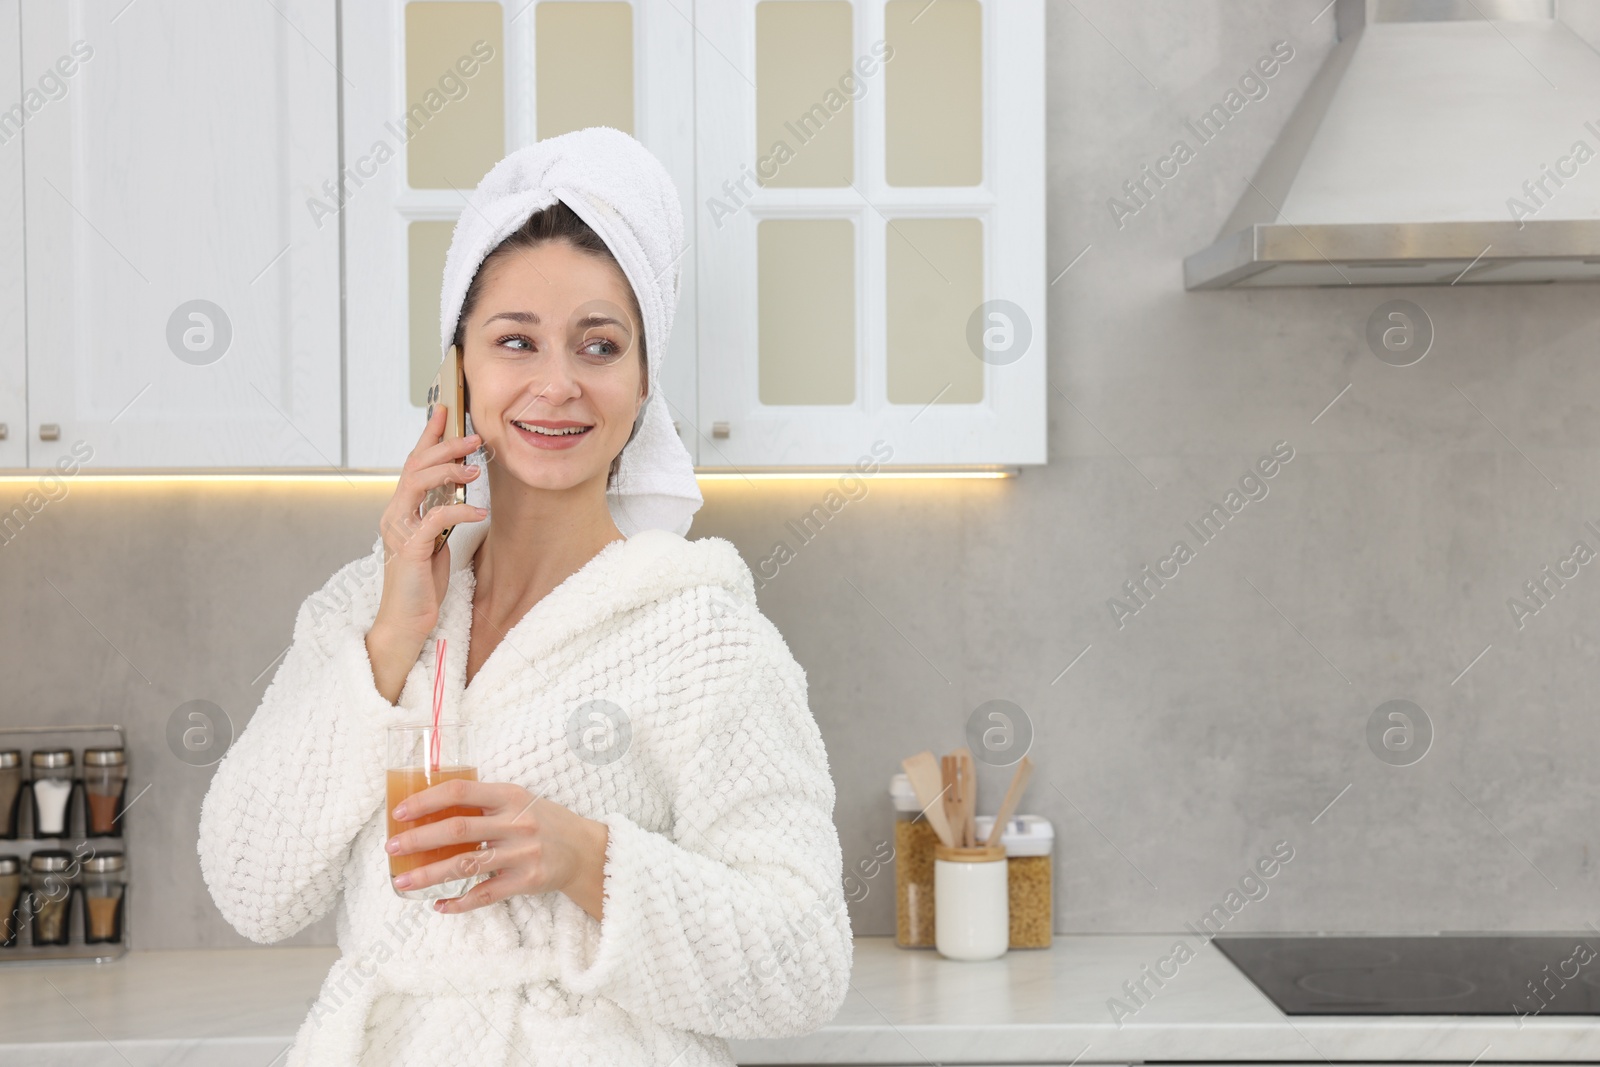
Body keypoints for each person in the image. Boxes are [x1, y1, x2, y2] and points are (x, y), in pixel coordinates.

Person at [197, 127, 853, 1066]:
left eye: (599, 345)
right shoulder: (367, 610)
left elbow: (805, 963)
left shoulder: (704, 638)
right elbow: (250, 887)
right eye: (515, 341)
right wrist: (392, 637)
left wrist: (585, 857)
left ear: (641, 382)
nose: (557, 385)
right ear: (457, 370)